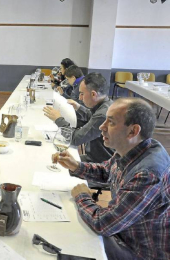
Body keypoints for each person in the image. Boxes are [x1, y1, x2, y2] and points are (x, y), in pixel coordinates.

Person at [52, 98, 170, 260]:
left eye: (111, 122)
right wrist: (76, 166)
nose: (102, 127)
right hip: (124, 234)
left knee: (68, 242)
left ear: (133, 131)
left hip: (140, 252)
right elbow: (108, 171)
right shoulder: (135, 147)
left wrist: (82, 195)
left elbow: (103, 224)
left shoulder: (147, 175)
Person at [43, 72, 114, 163]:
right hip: (95, 158)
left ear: (93, 94)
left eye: (82, 94)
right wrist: (78, 107)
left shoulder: (103, 115)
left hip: (99, 164)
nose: (80, 98)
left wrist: (58, 119)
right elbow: (92, 117)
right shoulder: (106, 104)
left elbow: (75, 139)